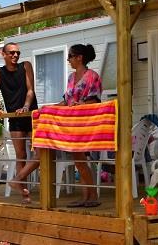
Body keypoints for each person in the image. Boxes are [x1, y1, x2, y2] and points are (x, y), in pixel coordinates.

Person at [0, 42, 38, 203]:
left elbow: (30, 89)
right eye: (11, 53)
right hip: (14, 117)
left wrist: (25, 107)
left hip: (31, 114)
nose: (15, 55)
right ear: (3, 54)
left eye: (17, 52)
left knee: (40, 153)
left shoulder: (25, 66)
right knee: (21, 155)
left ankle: (17, 179)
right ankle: (24, 192)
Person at [60, 43, 102, 207]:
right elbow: (66, 100)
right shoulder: (71, 78)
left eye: (70, 56)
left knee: (81, 160)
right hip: (72, 124)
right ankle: (86, 196)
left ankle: (93, 196)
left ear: (79, 57)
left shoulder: (92, 76)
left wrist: (81, 104)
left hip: (86, 123)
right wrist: (49, 108)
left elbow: (95, 99)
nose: (68, 59)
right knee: (79, 161)